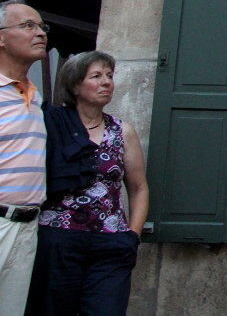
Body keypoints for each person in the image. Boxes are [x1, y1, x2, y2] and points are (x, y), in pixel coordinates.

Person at [27, 51, 149, 316]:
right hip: (58, 239)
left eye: (109, 76)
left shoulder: (121, 130)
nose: (106, 82)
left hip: (111, 242)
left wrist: (133, 236)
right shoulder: (51, 124)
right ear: (75, 85)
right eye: (96, 76)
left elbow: (139, 188)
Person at [0, 0, 49, 316]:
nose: (40, 33)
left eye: (42, 27)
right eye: (27, 26)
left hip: (28, 226)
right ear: (1, 37)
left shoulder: (34, 94)